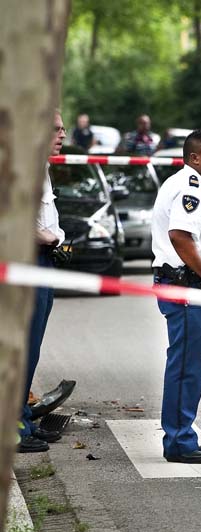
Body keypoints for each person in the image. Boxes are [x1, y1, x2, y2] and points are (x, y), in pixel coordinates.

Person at [151, 129, 201, 464]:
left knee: (189, 364)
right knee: (186, 367)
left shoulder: (199, 185)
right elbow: (181, 237)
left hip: (189, 286)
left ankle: (181, 433)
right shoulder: (190, 186)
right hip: (186, 286)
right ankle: (179, 440)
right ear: (194, 157)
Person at [19, 111, 68, 453]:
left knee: (31, 349)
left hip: (43, 261)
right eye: (55, 128)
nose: (62, 134)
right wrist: (49, 240)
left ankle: (21, 418)